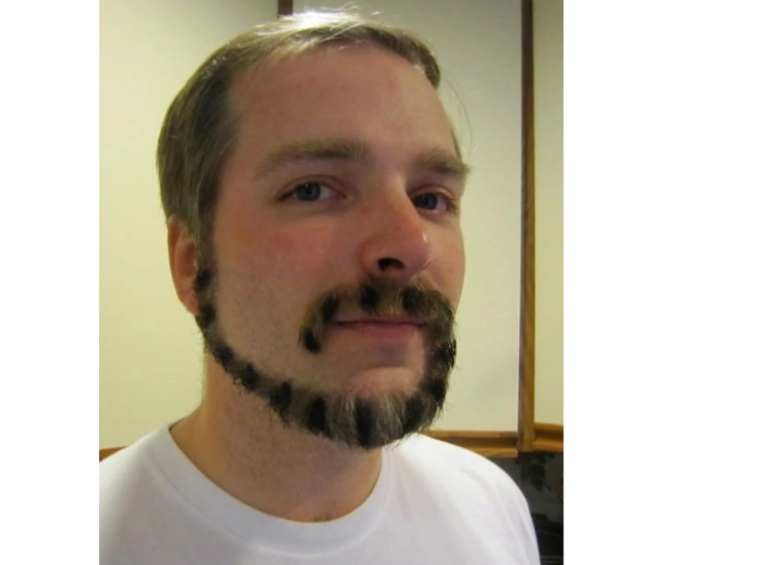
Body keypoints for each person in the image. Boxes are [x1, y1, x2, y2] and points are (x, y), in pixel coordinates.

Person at [100, 10, 540, 565]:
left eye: (431, 199)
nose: (410, 245)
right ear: (191, 263)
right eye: (312, 190)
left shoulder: (490, 507)